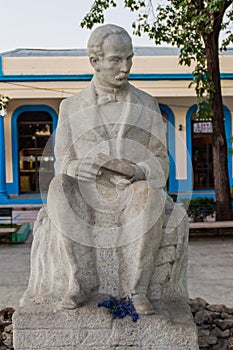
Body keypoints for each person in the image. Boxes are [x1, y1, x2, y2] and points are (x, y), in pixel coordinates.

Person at [26, 24, 169, 315]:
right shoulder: (70, 107)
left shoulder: (148, 104)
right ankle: (80, 281)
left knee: (150, 195)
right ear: (95, 61)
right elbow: (63, 160)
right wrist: (79, 166)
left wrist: (138, 170)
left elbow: (160, 160)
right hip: (87, 189)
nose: (126, 67)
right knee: (58, 188)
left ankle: (136, 288)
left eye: (129, 58)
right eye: (116, 60)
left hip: (131, 189)